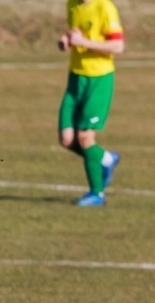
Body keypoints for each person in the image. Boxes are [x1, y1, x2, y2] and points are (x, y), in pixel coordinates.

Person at [58, 0, 123, 207]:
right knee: (67, 139)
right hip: (76, 79)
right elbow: (76, 34)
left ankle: (97, 194)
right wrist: (67, 40)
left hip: (99, 80)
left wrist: (83, 43)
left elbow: (117, 46)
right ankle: (106, 158)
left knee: (85, 137)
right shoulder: (72, 4)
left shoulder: (105, 7)